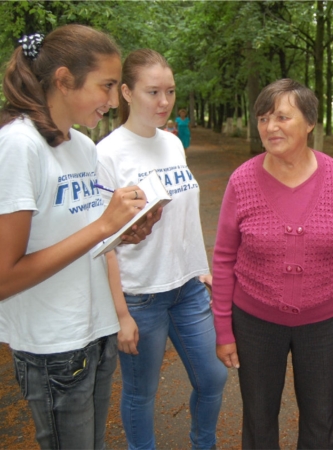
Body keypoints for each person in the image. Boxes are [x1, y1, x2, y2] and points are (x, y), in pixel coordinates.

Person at [0, 25, 160, 449]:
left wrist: (124, 231)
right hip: (54, 347)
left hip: (96, 330)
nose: (112, 100)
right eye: (106, 86)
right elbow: (4, 278)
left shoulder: (82, 147)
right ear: (64, 79)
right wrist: (103, 226)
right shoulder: (19, 146)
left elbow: (81, 237)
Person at [212, 78, 333, 448]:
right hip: (255, 322)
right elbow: (223, 259)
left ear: (310, 122)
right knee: (259, 417)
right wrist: (223, 330)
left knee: (318, 421)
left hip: (323, 323)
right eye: (264, 118)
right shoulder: (242, 181)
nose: (270, 127)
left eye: (282, 117)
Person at [96, 48, 227, 450]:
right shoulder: (106, 154)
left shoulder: (172, 144)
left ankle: (203, 443)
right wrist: (120, 313)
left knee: (213, 377)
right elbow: (101, 240)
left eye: (169, 91)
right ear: (126, 93)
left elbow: (184, 214)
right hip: (140, 295)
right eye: (153, 92)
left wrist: (198, 265)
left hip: (187, 287)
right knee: (141, 393)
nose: (164, 102)